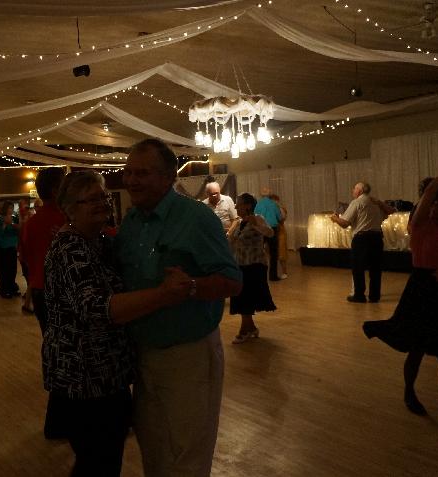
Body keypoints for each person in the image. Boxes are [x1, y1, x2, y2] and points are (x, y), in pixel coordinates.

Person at [43, 171, 193, 477]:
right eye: (91, 199)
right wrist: (163, 294)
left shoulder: (99, 241)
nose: (101, 203)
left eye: (103, 197)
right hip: (85, 378)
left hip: (106, 374)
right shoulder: (70, 249)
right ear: (70, 208)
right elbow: (97, 309)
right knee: (98, 463)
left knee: (102, 461)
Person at [117, 138, 242, 477]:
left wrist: (192, 287)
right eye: (128, 172)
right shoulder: (131, 222)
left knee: (188, 455)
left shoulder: (196, 217)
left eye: (142, 173)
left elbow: (232, 281)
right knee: (153, 450)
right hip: (144, 355)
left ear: (169, 176)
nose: (131, 181)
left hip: (189, 355)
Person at [363, 155, 438, 433]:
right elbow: (432, 190)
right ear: (429, 204)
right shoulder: (419, 224)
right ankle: (409, 391)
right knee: (417, 348)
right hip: (422, 290)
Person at [20, 167, 66, 438]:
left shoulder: (31, 223)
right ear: (56, 190)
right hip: (60, 293)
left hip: (39, 291)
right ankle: (58, 422)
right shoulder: (65, 219)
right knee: (66, 354)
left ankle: (57, 422)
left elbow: (25, 257)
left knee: (54, 348)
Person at [331, 182, 396, 303]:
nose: (353, 190)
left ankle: (359, 295)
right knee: (375, 269)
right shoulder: (376, 202)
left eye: (354, 188)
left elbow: (345, 223)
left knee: (358, 268)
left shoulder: (357, 202)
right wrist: (380, 203)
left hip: (361, 239)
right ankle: (374, 296)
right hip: (377, 238)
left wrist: (335, 219)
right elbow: (391, 211)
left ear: (360, 191)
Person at [228, 193, 277, 343]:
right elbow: (231, 242)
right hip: (240, 265)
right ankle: (251, 328)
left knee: (246, 298)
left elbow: (270, 233)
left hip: (254, 265)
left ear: (248, 206)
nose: (236, 206)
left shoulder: (258, 218)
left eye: (239, 203)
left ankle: (244, 330)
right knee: (242, 298)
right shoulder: (238, 222)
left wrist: (256, 223)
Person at [254, 187, 282, 281]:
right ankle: (273, 276)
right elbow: (279, 217)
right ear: (270, 194)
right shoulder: (274, 204)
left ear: (261, 194)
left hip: (261, 229)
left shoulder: (258, 204)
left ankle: (258, 274)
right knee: (273, 253)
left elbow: (255, 216)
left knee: (259, 251)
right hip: (273, 229)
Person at [0, 201, 20, 299]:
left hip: (13, 246)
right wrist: (5, 224)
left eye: (12, 208)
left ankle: (12, 288)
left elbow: (18, 232)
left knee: (13, 269)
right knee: (5, 270)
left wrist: (16, 227)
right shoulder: (0, 219)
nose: (11, 210)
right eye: (9, 208)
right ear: (5, 209)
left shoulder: (14, 218)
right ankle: (5, 291)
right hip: (3, 247)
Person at [18, 207, 37, 313]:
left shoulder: (27, 225)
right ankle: (27, 304)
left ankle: (27, 303)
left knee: (31, 280)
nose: (31, 216)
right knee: (31, 280)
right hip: (27, 257)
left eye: (32, 214)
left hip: (27, 256)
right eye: (29, 214)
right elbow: (25, 243)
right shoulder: (26, 225)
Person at [270, 193, 289, 279]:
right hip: (271, 233)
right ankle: (273, 272)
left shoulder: (281, 209)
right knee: (271, 254)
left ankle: (284, 272)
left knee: (281, 253)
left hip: (280, 233)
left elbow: (282, 218)